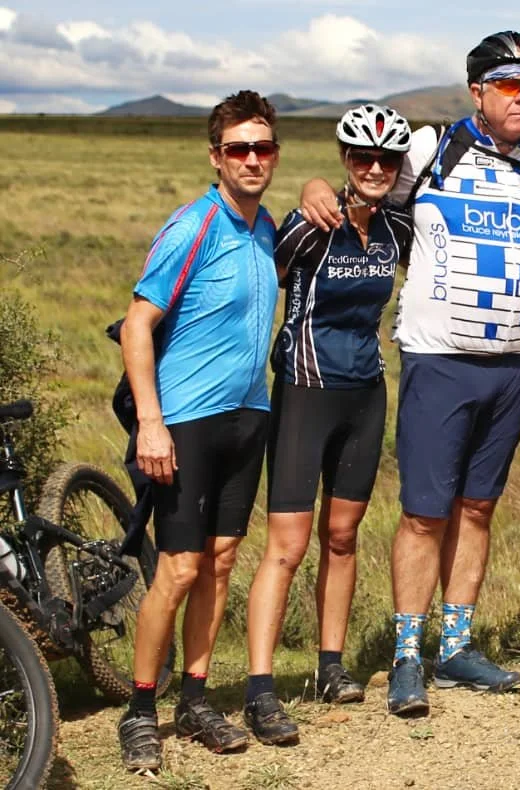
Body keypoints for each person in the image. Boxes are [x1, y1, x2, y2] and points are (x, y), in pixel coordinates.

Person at [300, 31, 520, 718]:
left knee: (478, 508)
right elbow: (360, 189)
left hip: (514, 368)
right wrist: (315, 186)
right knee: (424, 515)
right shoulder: (431, 151)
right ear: (478, 91)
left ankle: (454, 648)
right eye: (508, 85)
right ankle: (406, 654)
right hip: (440, 362)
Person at [116, 90, 280, 771]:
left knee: (219, 562)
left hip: (249, 418)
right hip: (183, 422)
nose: (251, 159)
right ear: (216, 156)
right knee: (179, 569)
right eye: (238, 148)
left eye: (263, 148)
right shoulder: (195, 225)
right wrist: (151, 424)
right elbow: (136, 325)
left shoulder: (266, 226)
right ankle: (139, 709)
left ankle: (196, 696)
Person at [241, 105, 414, 745]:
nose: (374, 168)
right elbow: (256, 286)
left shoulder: (398, 228)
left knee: (343, 536)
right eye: (362, 157)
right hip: (304, 395)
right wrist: (308, 189)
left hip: (366, 396)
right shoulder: (311, 223)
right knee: (286, 545)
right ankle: (260, 690)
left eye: (386, 160)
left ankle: (330, 666)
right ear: (345, 160)